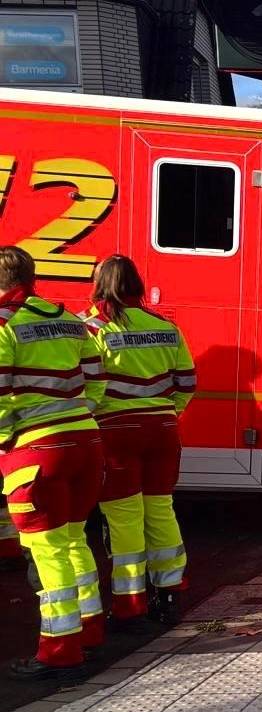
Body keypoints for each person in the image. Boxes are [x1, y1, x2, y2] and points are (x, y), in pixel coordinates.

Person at [0, 247, 106, 681]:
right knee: (73, 540)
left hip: (37, 451)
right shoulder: (69, 320)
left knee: (48, 552)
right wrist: (84, 412)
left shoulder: (5, 324)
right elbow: (97, 377)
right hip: (85, 441)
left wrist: (5, 439)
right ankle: (89, 629)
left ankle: (61, 651)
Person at [82, 255, 196, 627]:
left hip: (115, 433)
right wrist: (167, 412)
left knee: (124, 518)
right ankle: (169, 592)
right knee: (161, 510)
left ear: (101, 284)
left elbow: (86, 387)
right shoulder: (166, 327)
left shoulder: (93, 329)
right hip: (162, 430)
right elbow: (187, 383)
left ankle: (130, 605)